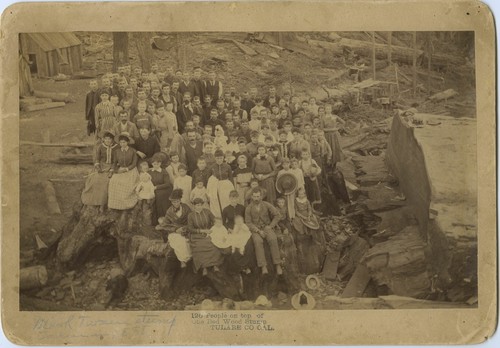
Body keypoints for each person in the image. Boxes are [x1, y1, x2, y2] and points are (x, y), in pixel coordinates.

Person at [245, 188, 283, 275]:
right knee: (258, 242)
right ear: (251, 197)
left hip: (267, 227)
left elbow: (277, 215)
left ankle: (277, 264)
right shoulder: (248, 208)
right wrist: (258, 231)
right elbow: (248, 223)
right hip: (256, 230)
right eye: (254, 197)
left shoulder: (266, 205)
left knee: (273, 239)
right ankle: (263, 266)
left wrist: (270, 226)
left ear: (261, 196)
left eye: (258, 196)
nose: (256, 199)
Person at [187, 198, 224, 276]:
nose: (199, 207)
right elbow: (190, 229)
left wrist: (214, 227)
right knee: (199, 247)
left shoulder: (207, 212)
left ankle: (215, 265)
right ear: (194, 206)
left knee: (213, 244)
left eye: (200, 205)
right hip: (197, 235)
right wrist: (202, 231)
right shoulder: (191, 215)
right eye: (197, 205)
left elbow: (214, 220)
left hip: (209, 233)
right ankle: (204, 267)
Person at [81, 131, 117, 208]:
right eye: (106, 139)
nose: (107, 141)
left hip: (112, 166)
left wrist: (111, 170)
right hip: (102, 165)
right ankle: (92, 201)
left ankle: (102, 203)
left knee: (106, 182)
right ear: (103, 140)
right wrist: (98, 167)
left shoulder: (116, 147)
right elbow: (97, 159)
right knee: (94, 180)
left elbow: (116, 161)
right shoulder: (100, 147)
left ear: (112, 140)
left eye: (109, 139)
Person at [108, 134, 139, 210]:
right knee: (113, 181)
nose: (122, 144)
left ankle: (126, 205)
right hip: (120, 169)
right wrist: (113, 170)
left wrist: (126, 169)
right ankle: (115, 205)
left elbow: (134, 163)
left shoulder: (133, 151)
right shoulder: (117, 151)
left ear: (127, 142)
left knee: (127, 184)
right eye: (121, 142)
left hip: (130, 170)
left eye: (124, 142)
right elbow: (114, 162)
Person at [206, 149, 235, 218]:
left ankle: (227, 217)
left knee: (226, 201)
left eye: (221, 158)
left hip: (226, 186)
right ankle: (219, 218)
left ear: (223, 158)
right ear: (215, 158)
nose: (219, 160)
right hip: (215, 186)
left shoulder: (227, 167)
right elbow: (208, 179)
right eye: (217, 158)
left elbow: (231, 178)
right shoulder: (212, 167)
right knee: (216, 203)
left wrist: (233, 189)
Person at [149, 153, 173, 225]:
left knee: (160, 199)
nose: (155, 165)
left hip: (164, 191)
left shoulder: (163, 172)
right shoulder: (150, 172)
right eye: (154, 164)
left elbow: (167, 184)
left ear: (160, 164)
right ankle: (155, 222)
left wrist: (156, 187)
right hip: (154, 190)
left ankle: (165, 222)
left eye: (157, 164)